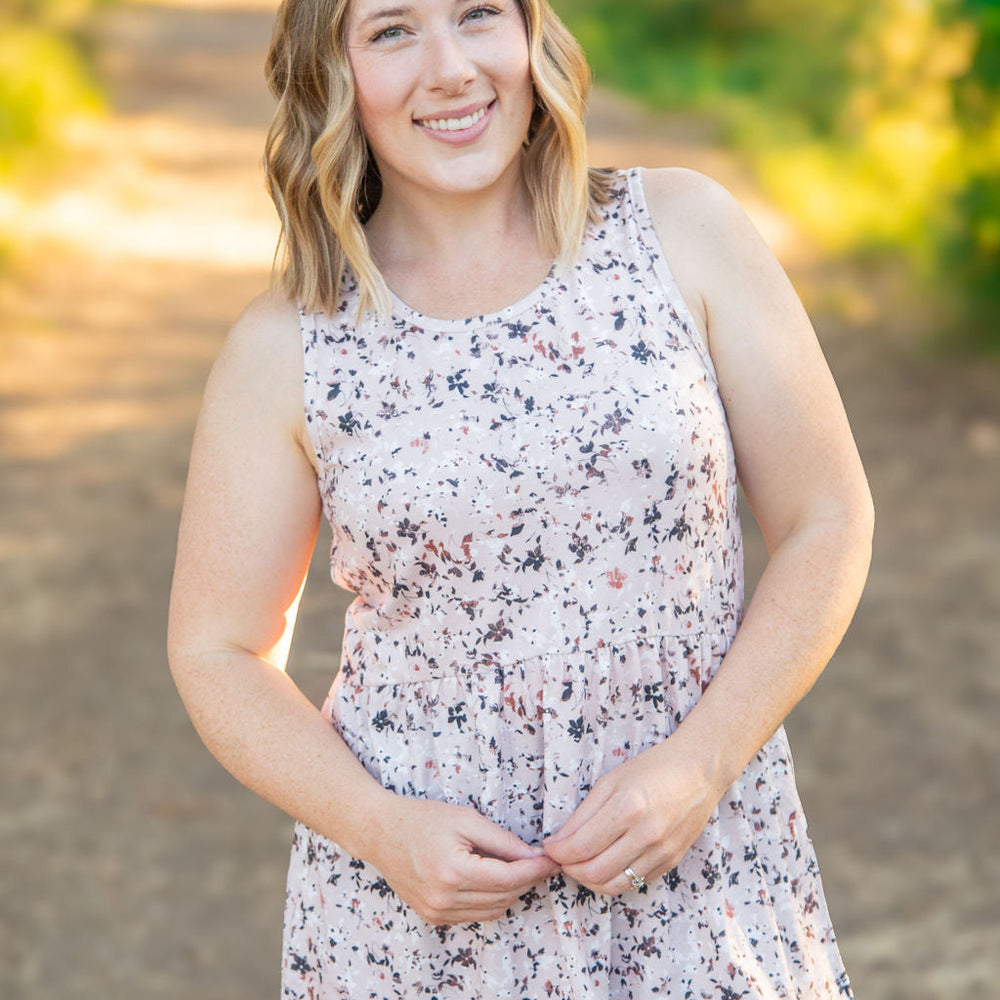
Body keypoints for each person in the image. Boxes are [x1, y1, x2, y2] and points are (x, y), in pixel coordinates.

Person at [167, 0, 874, 995]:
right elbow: (218, 648)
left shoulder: (681, 232)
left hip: (698, 873)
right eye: (392, 30)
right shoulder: (290, 343)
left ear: (531, 33)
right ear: (333, 72)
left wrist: (702, 762)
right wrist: (380, 828)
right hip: (420, 916)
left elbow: (827, 518)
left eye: (476, 14)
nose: (450, 67)